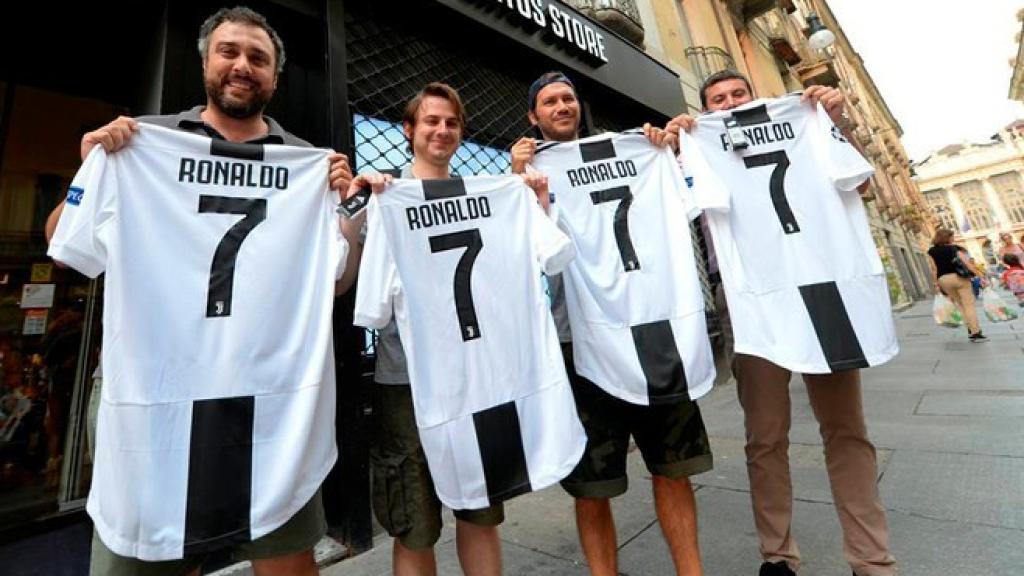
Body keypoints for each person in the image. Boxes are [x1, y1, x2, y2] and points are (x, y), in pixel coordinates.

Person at [46, 7, 352, 576]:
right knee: (143, 556)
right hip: (154, 391)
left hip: (271, 394)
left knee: (284, 553)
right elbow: (66, 244)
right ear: (206, 63)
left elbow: (335, 283)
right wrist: (90, 171)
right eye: (229, 52)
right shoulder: (145, 141)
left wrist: (346, 211)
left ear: (275, 77)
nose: (243, 66)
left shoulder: (307, 162)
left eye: (258, 58)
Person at [667, 71, 898, 576]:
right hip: (752, 300)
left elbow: (860, 181)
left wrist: (835, 121)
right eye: (717, 101)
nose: (730, 104)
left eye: (738, 95)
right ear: (705, 112)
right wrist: (676, 145)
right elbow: (671, 208)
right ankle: (778, 555)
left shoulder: (808, 120)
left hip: (822, 288)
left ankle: (872, 560)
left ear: (758, 98)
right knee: (765, 435)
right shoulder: (699, 146)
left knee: (846, 429)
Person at [509, 71, 712, 576]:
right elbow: (513, 253)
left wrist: (667, 150)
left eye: (569, 98)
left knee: (672, 470)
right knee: (592, 484)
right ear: (534, 116)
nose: (562, 106)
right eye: (550, 101)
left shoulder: (633, 151)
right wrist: (519, 182)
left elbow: (690, 195)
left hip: (650, 326)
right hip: (578, 341)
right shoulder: (521, 174)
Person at [337, 83, 519, 576]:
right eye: (431, 121)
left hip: (473, 377)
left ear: (461, 133)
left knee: (480, 512)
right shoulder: (383, 196)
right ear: (409, 130)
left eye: (451, 123)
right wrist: (353, 208)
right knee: (412, 523)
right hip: (405, 384)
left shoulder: (486, 196)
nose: (442, 130)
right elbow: (341, 280)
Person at [928, 228, 988, 342]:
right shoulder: (954, 249)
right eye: (952, 236)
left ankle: (970, 329)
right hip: (959, 278)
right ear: (948, 237)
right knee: (968, 305)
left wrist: (936, 284)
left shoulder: (931, 251)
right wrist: (981, 276)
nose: (953, 238)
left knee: (960, 305)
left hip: (943, 280)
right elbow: (968, 264)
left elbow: (934, 269)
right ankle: (976, 332)